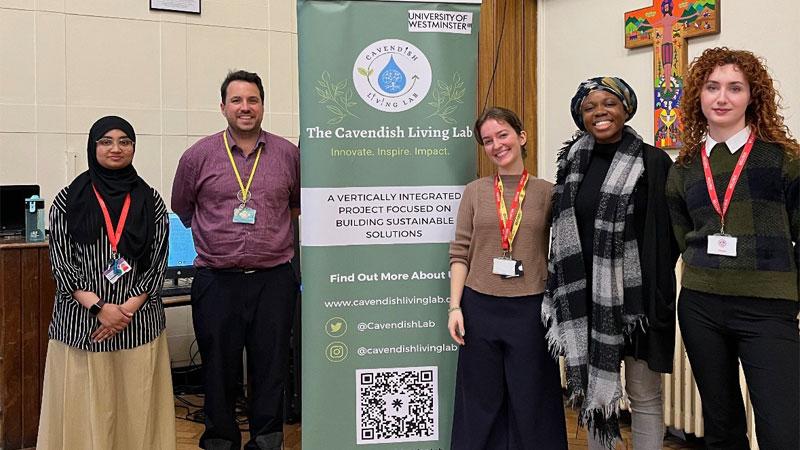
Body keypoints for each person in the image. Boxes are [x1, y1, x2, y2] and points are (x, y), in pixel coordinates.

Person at [666, 47, 799, 449]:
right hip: (701, 305)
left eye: (735, 88)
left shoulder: (782, 159)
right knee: (721, 427)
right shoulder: (685, 167)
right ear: (699, 97)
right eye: (712, 87)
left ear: (751, 97)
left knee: (784, 428)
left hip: (768, 308)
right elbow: (682, 234)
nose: (722, 98)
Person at [543, 77, 678, 449]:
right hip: (584, 297)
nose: (600, 112)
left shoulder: (653, 161)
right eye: (589, 107)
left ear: (626, 108)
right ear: (581, 117)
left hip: (638, 304)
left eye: (609, 104)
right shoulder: (572, 163)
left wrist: (654, 293)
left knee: (643, 395)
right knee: (595, 397)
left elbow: (668, 235)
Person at [171, 70, 300, 450]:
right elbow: (183, 208)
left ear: (262, 104)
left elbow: (294, 207)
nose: (246, 108)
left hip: (273, 278)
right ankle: (220, 440)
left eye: (253, 100)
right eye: (237, 100)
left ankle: (266, 439)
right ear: (223, 107)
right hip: (217, 279)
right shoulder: (198, 156)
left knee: (271, 364)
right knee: (216, 367)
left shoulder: (287, 155)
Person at [37, 116, 175, 449]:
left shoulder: (151, 200)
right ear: (93, 146)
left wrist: (125, 310)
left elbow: (157, 262)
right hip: (82, 325)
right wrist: (99, 308)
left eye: (124, 141)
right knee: (86, 412)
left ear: (133, 147)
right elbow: (62, 263)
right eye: (106, 141)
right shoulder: (67, 199)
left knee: (137, 409)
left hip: (138, 324)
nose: (116, 148)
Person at [448, 107, 567, 449]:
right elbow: (460, 252)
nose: (497, 145)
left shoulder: (548, 193)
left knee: (533, 399)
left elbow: (561, 252)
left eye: (503, 135)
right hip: (479, 307)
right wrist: (455, 307)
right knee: (480, 399)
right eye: (488, 140)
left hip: (531, 309)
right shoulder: (475, 192)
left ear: (521, 137)